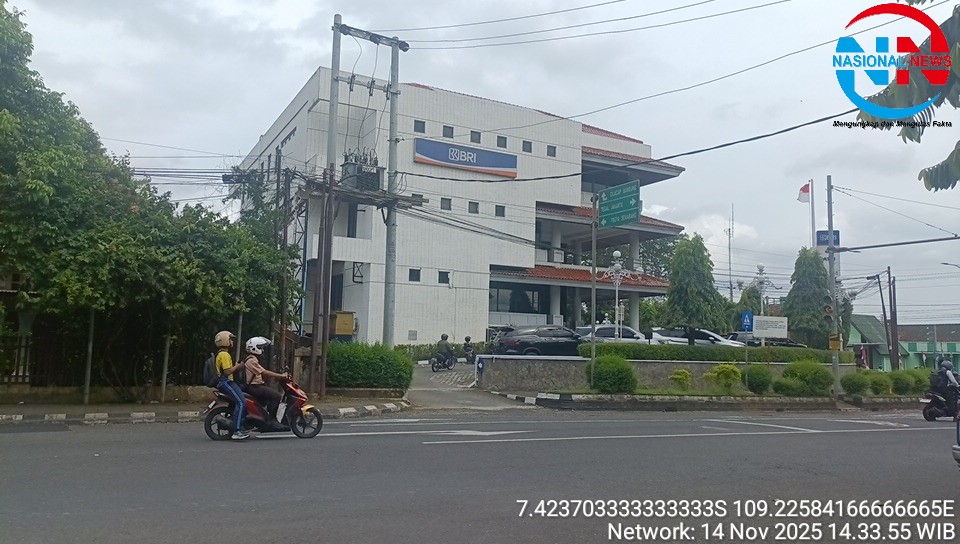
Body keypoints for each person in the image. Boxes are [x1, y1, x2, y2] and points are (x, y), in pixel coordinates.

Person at [242, 336, 288, 421]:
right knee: (276, 396)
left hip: (255, 386)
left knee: (267, 398)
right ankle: (272, 420)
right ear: (254, 348)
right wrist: (281, 375)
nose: (262, 350)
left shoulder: (252, 359)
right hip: (254, 387)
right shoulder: (251, 360)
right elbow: (264, 372)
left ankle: (265, 418)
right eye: (260, 347)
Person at [214, 330, 248, 440]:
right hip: (226, 382)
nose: (232, 342)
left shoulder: (222, 353)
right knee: (241, 402)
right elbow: (227, 371)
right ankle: (237, 431)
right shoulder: (224, 355)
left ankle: (240, 424)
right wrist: (238, 366)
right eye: (231, 339)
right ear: (225, 341)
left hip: (227, 382)